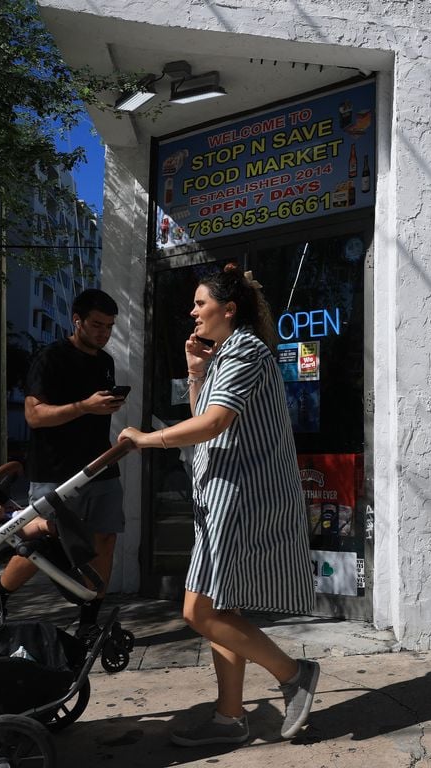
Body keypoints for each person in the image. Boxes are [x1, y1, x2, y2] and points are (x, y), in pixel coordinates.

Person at [118, 265, 317, 747]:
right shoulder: (226, 355)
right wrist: (196, 372)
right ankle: (230, 717)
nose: (192, 311)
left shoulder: (245, 350)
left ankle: (294, 674)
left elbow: (212, 425)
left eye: (200, 303)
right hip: (220, 497)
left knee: (199, 611)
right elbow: (203, 416)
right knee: (220, 609)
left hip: (240, 497)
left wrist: (147, 440)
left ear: (228, 309)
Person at [0, 288, 127, 637]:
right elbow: (34, 416)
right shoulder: (49, 357)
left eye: (109, 326)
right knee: (46, 544)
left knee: (105, 540)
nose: (104, 333)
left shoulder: (105, 362)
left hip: (100, 465)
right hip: (55, 471)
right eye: (97, 325)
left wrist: (104, 407)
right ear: (77, 321)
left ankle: (89, 621)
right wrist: (84, 406)